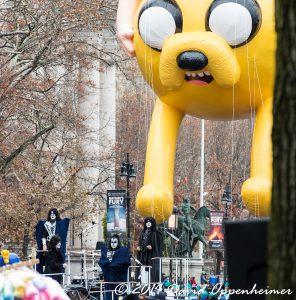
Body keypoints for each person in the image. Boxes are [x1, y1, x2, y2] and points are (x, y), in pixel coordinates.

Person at [35, 208, 70, 273]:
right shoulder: (45, 224)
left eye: (54, 214)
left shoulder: (58, 224)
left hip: (55, 245)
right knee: (48, 260)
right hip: (48, 245)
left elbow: (62, 231)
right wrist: (44, 245)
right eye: (51, 214)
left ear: (56, 214)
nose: (52, 215)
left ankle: (58, 273)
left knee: (56, 259)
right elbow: (43, 236)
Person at [99, 234, 130, 300]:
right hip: (109, 281)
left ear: (118, 242)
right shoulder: (106, 251)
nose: (113, 244)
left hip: (119, 281)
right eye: (112, 242)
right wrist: (108, 262)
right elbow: (102, 262)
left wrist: (111, 263)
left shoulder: (123, 251)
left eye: (115, 242)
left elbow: (124, 263)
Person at [137, 217, 163, 283]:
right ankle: (143, 285)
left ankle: (152, 285)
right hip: (143, 256)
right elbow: (141, 242)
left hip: (151, 256)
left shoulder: (155, 233)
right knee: (143, 271)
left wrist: (152, 246)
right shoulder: (143, 232)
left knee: (151, 271)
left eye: (150, 222)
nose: (148, 224)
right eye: (147, 222)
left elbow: (157, 244)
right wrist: (139, 247)